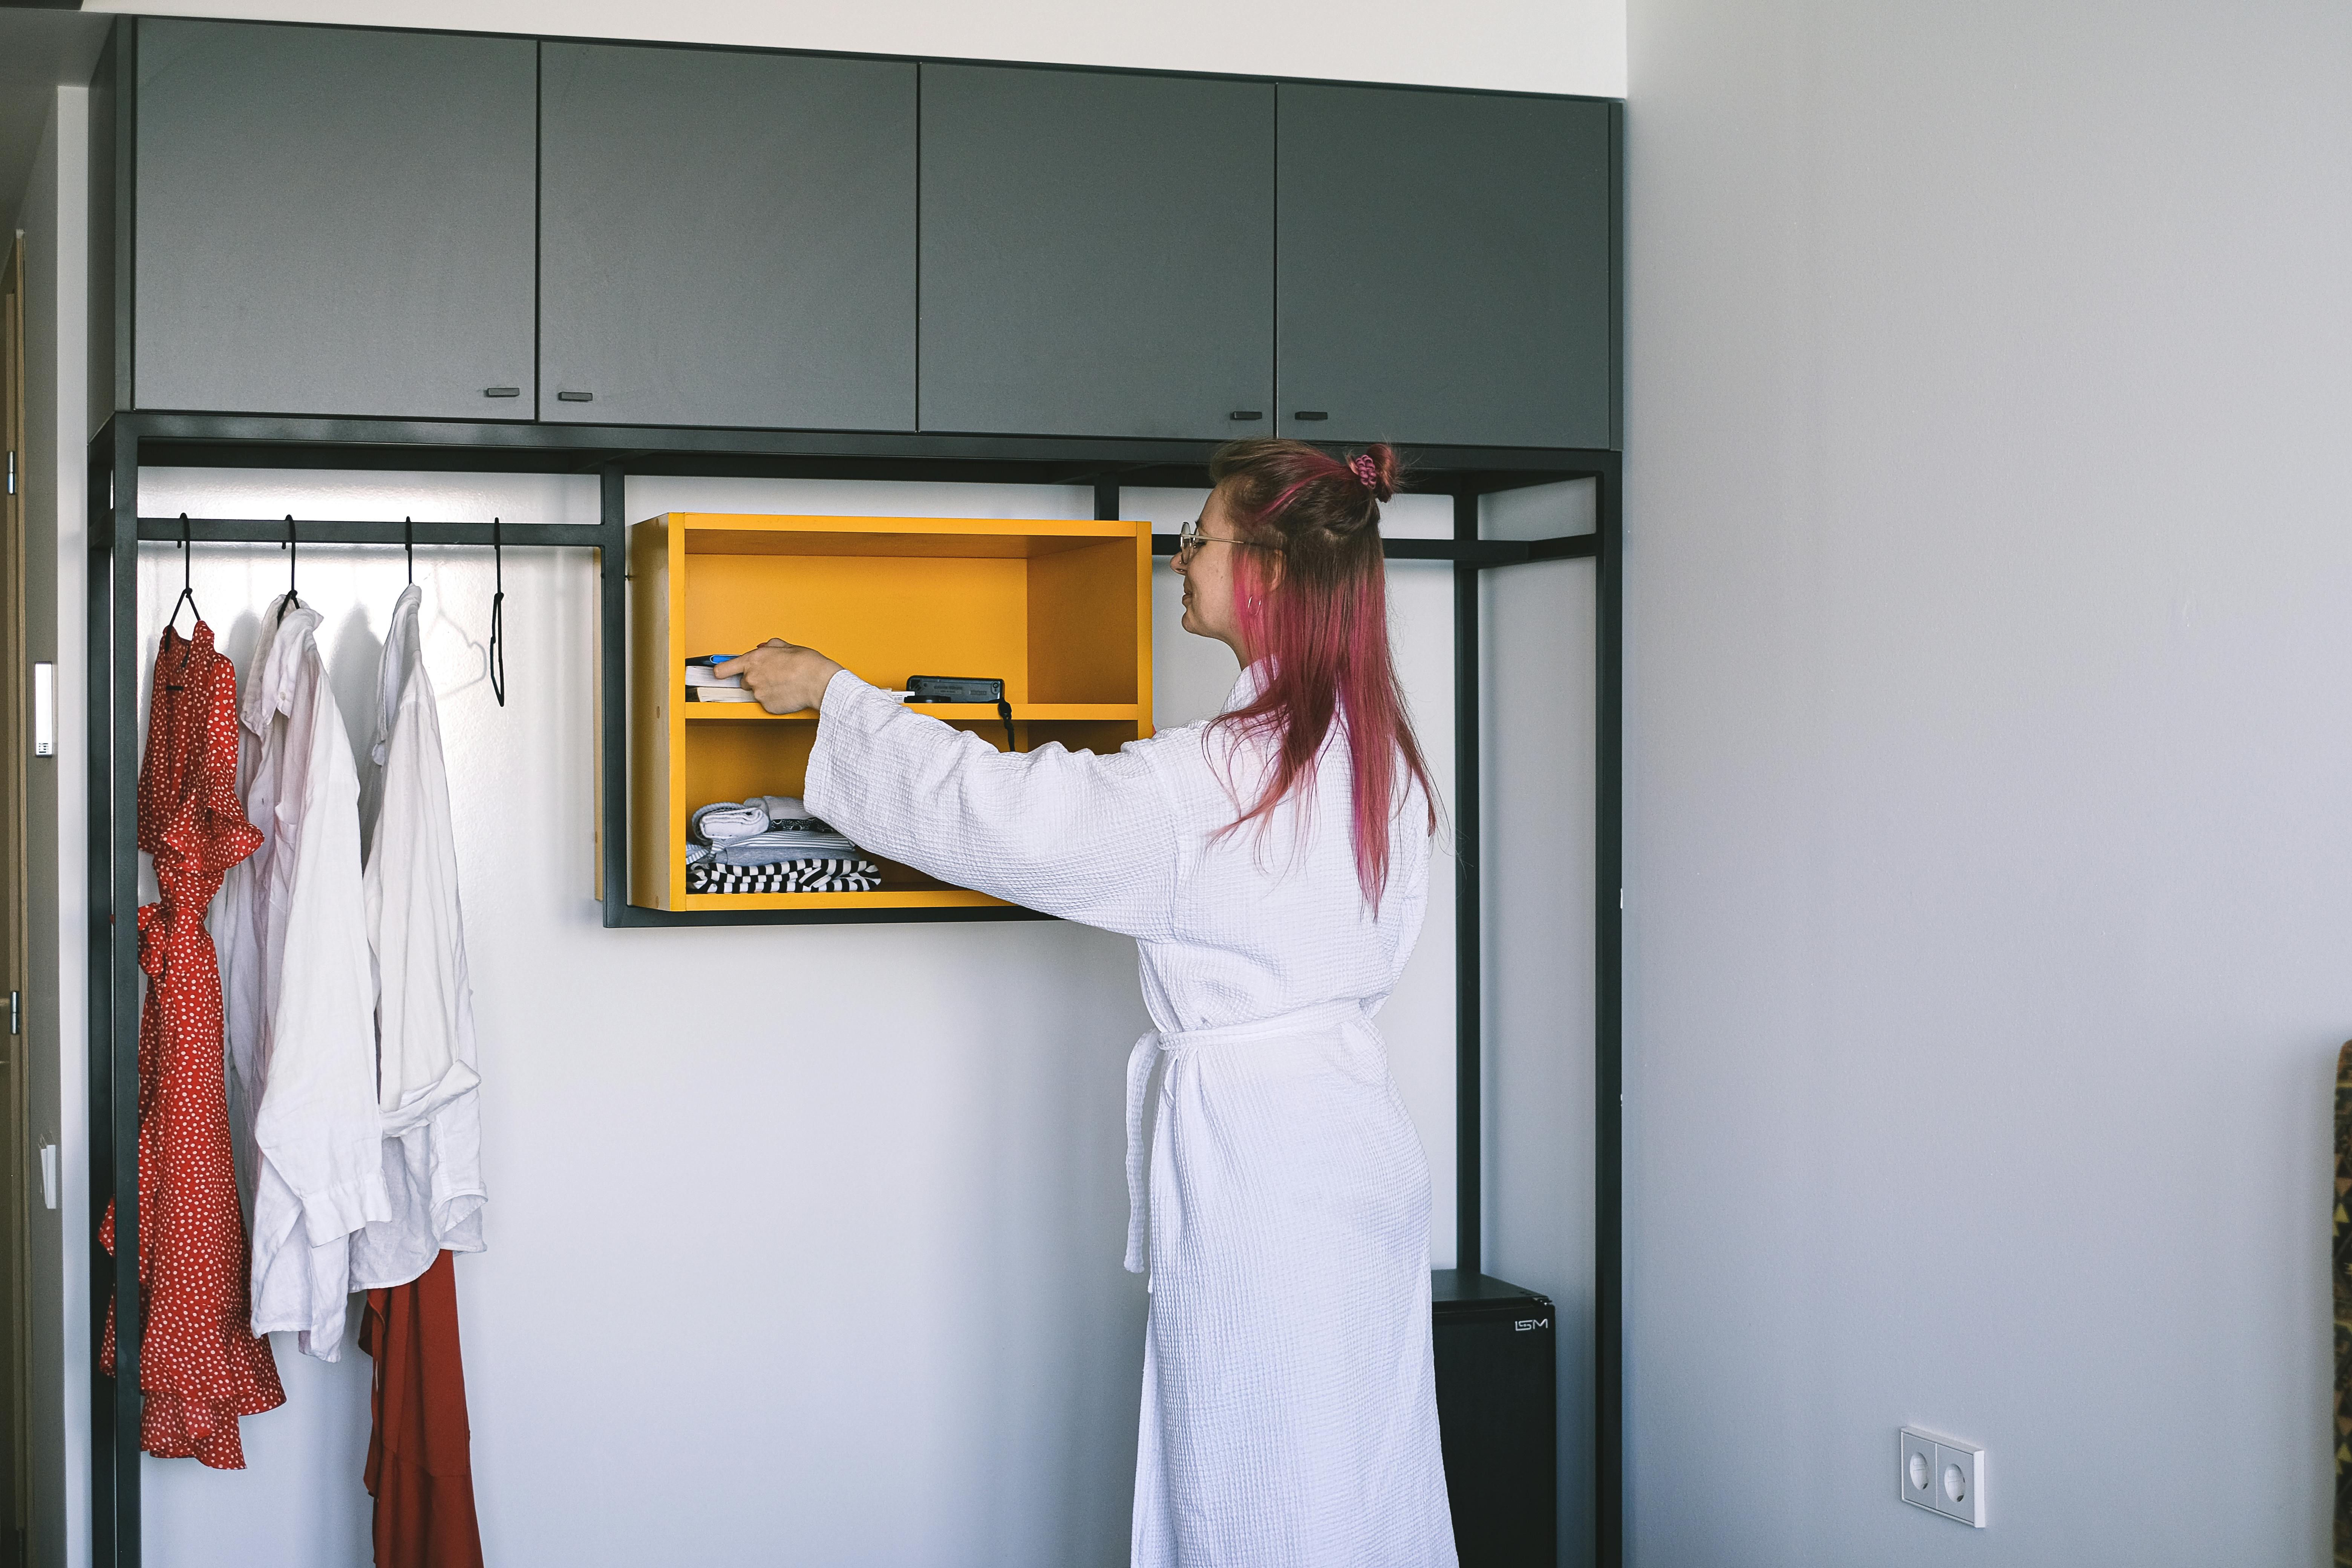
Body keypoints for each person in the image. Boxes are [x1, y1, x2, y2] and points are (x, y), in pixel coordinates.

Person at [721, 439, 1455, 1568]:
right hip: (1356, 1149)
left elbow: (1012, 815)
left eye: (1196, 537)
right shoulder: (1378, 754)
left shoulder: (1219, 777)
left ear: (1262, 567)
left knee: (1255, 1472)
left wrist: (839, 700)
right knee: (1359, 1468)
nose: (1181, 560)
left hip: (1262, 1171)